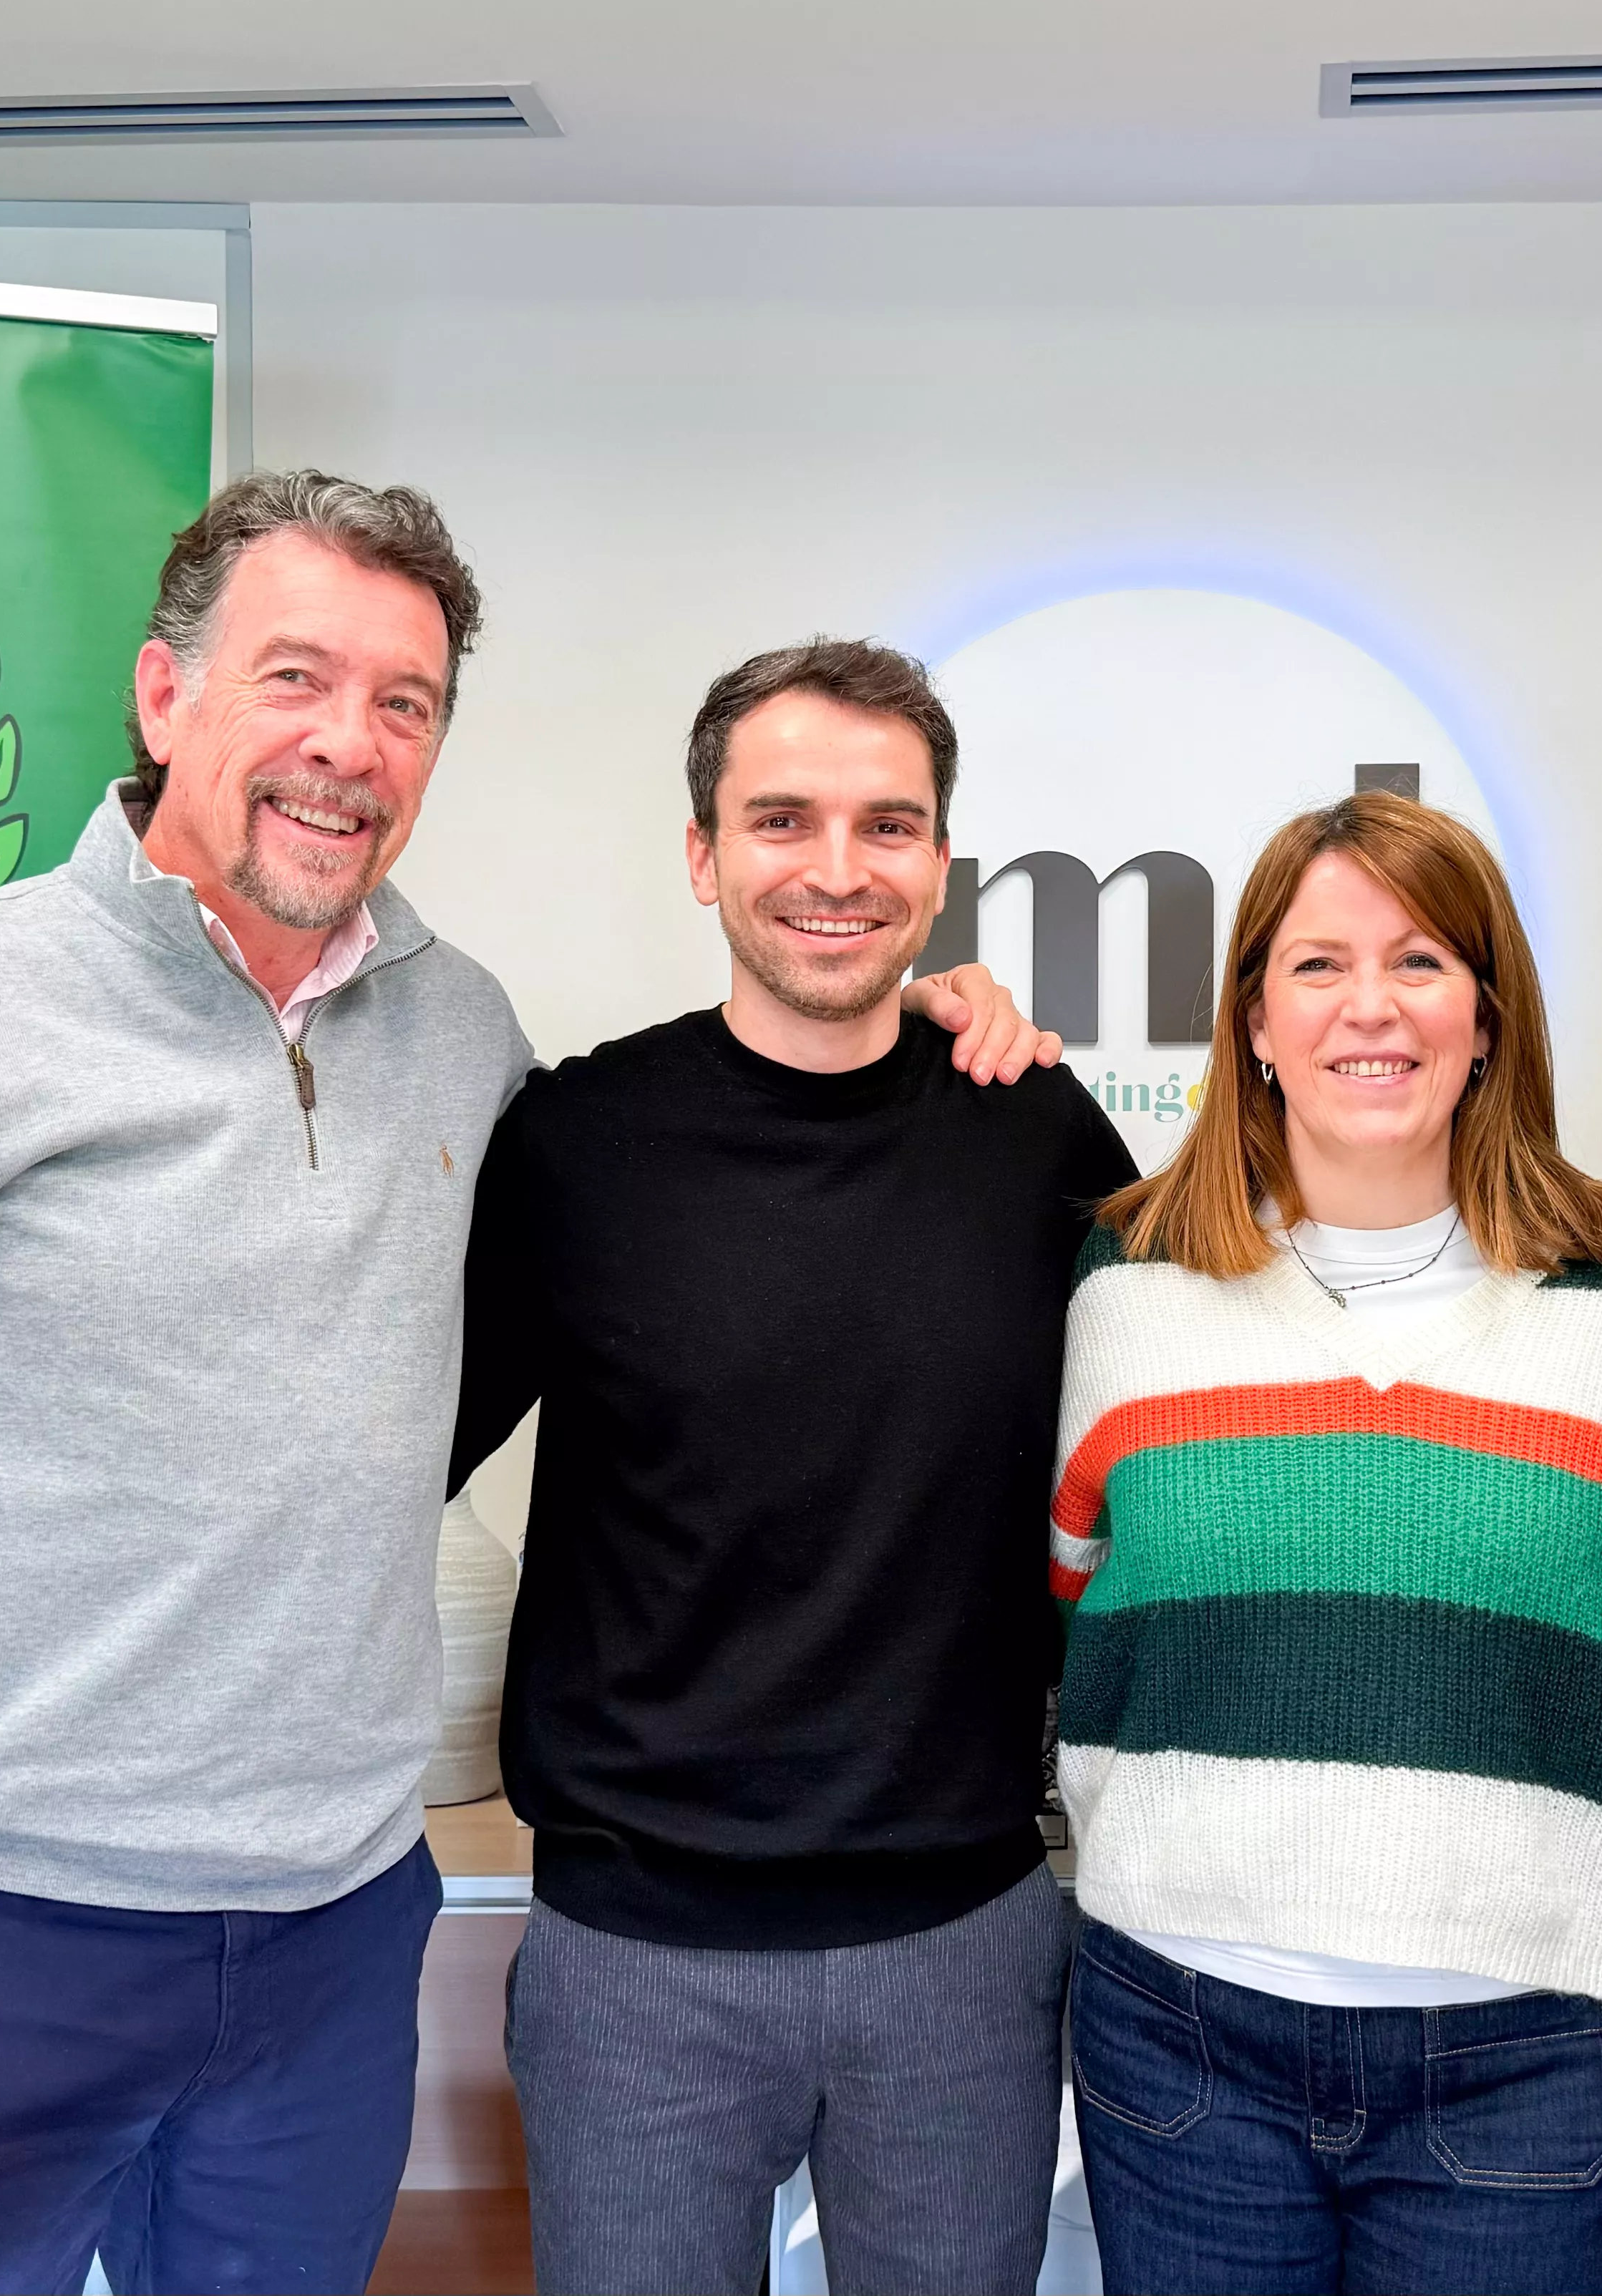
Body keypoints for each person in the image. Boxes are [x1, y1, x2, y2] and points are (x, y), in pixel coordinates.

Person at [0, 482, 1048, 2295]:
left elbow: (625, 1291)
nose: (350, 744)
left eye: (405, 703)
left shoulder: (458, 1033)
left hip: (331, 1934)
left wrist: (954, 1030)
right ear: (166, 698)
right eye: (298, 678)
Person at [447, 638, 1136, 2296]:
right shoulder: (573, 1143)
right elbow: (382, 1456)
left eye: (887, 826)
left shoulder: (1039, 1136)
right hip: (633, 1959)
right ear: (702, 855)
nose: (837, 870)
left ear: (942, 864)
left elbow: (1181, 1455)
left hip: (964, 1943)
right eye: (781, 820)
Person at [1050, 790, 1602, 2296]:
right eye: (1318, 964)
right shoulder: (1125, 1274)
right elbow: (1079, 1614)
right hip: (1183, 2040)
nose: (1371, 1007)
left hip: (1532, 2052)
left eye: (1419, 962)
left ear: (1488, 1012)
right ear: (1254, 1020)